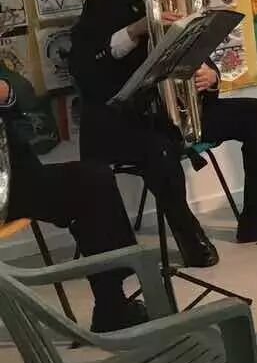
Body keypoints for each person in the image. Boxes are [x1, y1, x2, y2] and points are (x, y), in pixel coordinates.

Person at [70, 0, 257, 269]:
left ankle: (256, 215)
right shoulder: (103, 4)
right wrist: (136, 30)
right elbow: (83, 68)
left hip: (177, 114)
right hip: (126, 121)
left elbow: (202, 57)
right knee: (159, 149)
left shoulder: (183, 4)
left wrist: (211, 77)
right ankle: (188, 234)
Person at [2, 65, 148, 331]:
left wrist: (6, 93)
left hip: (13, 183)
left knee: (92, 180)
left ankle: (111, 305)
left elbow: (23, 96)